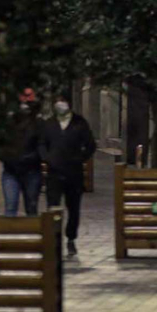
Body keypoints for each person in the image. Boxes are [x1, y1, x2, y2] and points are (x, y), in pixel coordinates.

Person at [39, 92, 96, 256]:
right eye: (57, 101)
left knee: (74, 209)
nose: (60, 104)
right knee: (53, 208)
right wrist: (47, 158)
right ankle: (54, 240)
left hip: (74, 173)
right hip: (54, 173)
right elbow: (42, 143)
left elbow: (90, 144)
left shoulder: (79, 123)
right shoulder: (49, 124)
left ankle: (71, 239)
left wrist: (80, 158)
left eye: (63, 101)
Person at [0, 88, 42, 217]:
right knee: (10, 208)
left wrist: (34, 158)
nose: (27, 99)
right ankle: (9, 236)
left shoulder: (38, 121)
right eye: (24, 95)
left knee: (32, 207)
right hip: (11, 170)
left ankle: (33, 236)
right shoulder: (10, 120)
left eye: (30, 95)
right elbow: (0, 143)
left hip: (32, 170)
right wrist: (8, 158)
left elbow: (43, 144)